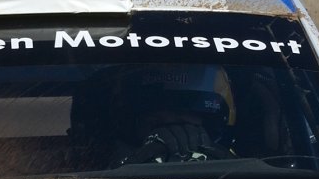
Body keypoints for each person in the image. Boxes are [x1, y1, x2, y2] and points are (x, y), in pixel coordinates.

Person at [103, 64, 240, 165]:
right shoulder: (98, 167)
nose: (173, 133)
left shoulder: (247, 171)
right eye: (159, 122)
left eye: (183, 122)